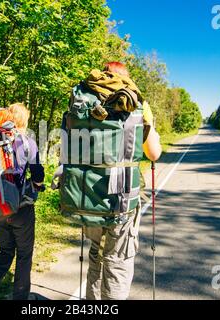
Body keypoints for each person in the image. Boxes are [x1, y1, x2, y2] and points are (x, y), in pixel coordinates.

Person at [83, 62, 162, 300]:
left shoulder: (86, 101)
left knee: (96, 253)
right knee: (118, 259)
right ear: (126, 79)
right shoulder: (137, 104)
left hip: (88, 193)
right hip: (123, 195)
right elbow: (154, 154)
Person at [0, 103, 45, 300]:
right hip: (20, 210)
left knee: (5, 252)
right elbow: (38, 175)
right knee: (24, 255)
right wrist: (37, 185)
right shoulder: (27, 142)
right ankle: (20, 298)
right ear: (24, 121)